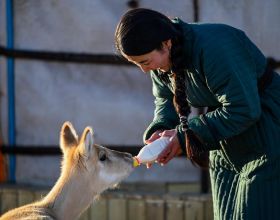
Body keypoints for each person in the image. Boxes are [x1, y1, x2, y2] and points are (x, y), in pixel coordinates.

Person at [114, 8, 280, 220]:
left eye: (145, 62)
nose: (145, 71)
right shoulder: (162, 61)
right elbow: (165, 97)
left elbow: (244, 108)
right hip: (223, 140)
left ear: (166, 44)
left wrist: (185, 136)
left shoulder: (216, 48)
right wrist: (162, 128)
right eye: (137, 64)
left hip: (268, 132)